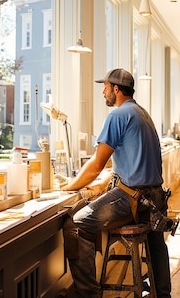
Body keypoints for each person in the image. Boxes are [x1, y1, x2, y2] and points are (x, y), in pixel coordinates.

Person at [61, 68, 172, 298]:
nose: (103, 91)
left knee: (77, 224)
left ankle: (87, 295)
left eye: (105, 87)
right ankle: (164, 294)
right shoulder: (142, 113)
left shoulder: (117, 115)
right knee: (155, 239)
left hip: (134, 200)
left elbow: (96, 164)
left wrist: (71, 185)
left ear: (116, 89)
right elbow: (130, 163)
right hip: (155, 200)